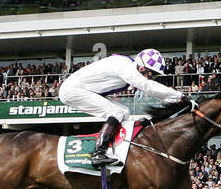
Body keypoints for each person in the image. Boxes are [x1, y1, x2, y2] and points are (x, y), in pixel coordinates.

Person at [56, 49, 185, 168]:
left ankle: (115, 149)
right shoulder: (126, 67)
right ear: (141, 67)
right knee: (116, 112)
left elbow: (149, 86)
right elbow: (148, 86)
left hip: (83, 89)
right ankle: (98, 153)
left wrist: (176, 100)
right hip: (72, 91)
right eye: (151, 73)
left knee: (124, 112)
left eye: (154, 75)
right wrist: (179, 96)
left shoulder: (129, 65)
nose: (151, 77)